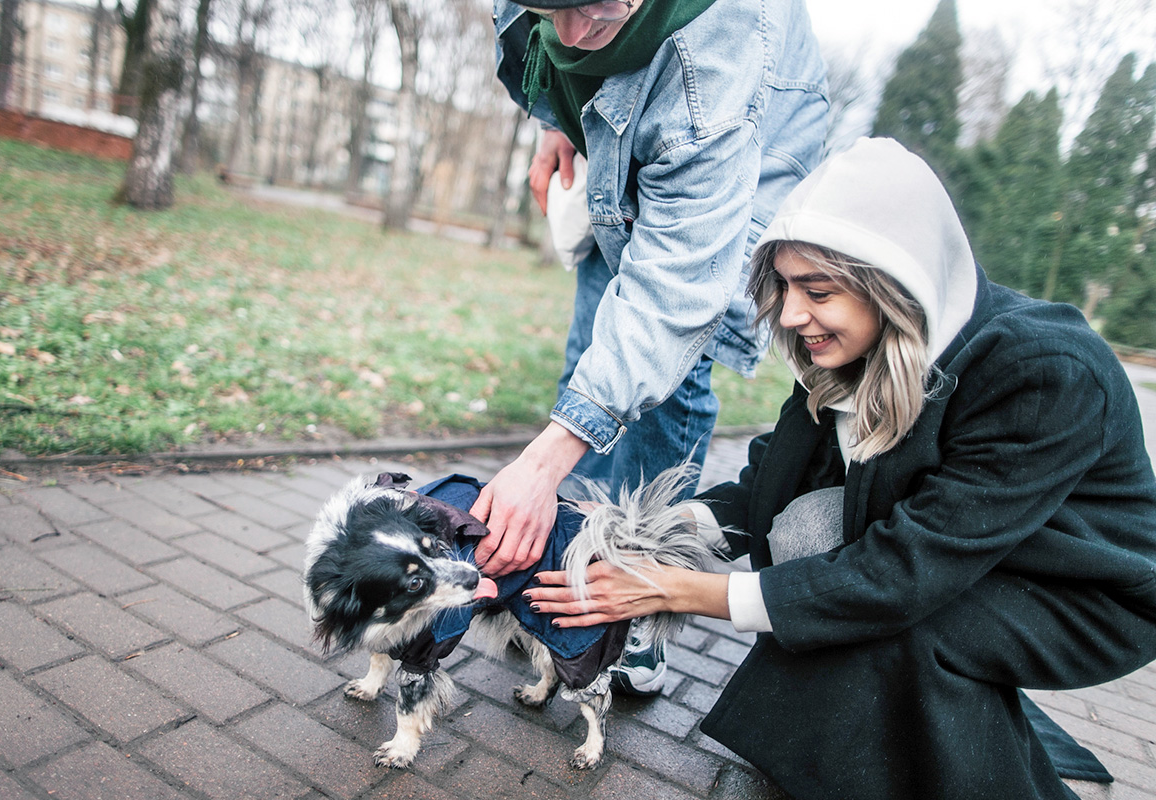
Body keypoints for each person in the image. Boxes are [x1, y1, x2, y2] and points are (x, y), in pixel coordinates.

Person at [520, 137, 1156, 798]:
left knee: (893, 624)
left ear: (893, 285)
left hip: (1075, 586)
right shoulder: (850, 347)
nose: (792, 315)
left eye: (817, 290)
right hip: (961, 548)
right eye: (786, 287)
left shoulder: (1045, 372)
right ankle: (919, 722)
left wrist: (682, 592)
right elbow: (767, 487)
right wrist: (642, 527)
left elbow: (904, 572)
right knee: (818, 577)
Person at [472, 0, 829, 693]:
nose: (571, 35)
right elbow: (544, 41)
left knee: (665, 382)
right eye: (552, 9)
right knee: (589, 362)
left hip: (729, 155)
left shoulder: (717, 54)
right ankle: (561, 580)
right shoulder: (568, 20)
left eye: (595, 9)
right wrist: (556, 121)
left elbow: (673, 296)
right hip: (623, 145)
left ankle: (632, 598)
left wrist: (540, 466)